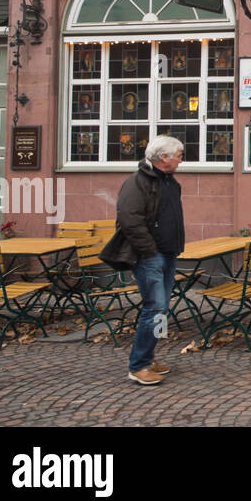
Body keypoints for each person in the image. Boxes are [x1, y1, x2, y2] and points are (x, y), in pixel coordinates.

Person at [100, 135, 186, 385]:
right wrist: (149, 251)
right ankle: (138, 365)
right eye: (178, 155)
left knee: (161, 309)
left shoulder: (168, 181)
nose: (181, 160)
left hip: (167, 253)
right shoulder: (137, 183)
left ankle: (149, 357)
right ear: (164, 158)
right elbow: (129, 220)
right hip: (150, 256)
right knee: (154, 308)